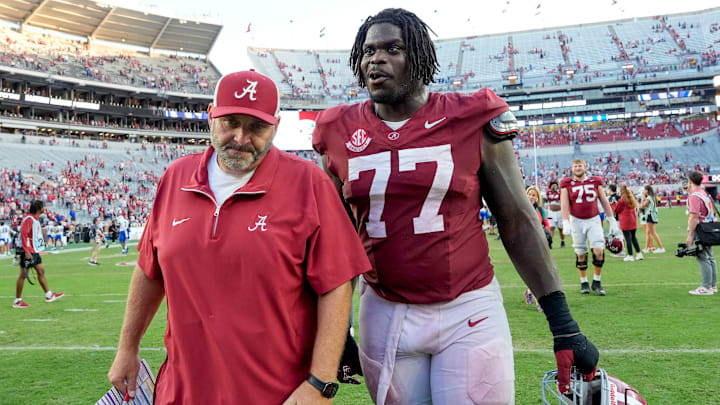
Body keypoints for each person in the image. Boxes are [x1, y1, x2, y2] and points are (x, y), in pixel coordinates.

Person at [312, 9, 598, 404]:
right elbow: (335, 244)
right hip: (384, 309)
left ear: (420, 56)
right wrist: (336, 330)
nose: (375, 59)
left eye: (392, 48)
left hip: (468, 307)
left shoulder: (471, 115)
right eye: (367, 51)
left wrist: (563, 323)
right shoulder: (335, 129)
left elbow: (516, 219)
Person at [108, 70, 370, 404]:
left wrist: (320, 384)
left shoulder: (309, 184)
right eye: (230, 121)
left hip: (276, 393)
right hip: (183, 390)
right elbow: (149, 270)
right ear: (210, 117)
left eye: (257, 127)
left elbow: (335, 286)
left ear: (275, 127)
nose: (241, 138)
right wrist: (127, 348)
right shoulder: (175, 178)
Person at [561, 158, 619, 296]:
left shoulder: (595, 181)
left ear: (585, 167)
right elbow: (564, 203)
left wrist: (612, 220)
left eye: (580, 165)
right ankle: (584, 282)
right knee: (580, 252)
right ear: (571, 168)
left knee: (599, 250)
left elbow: (604, 200)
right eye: (575, 166)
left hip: (593, 219)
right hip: (576, 220)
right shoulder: (567, 183)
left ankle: (597, 282)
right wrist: (565, 221)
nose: (577, 168)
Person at [12, 200, 65, 308]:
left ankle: (49, 295)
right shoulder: (29, 219)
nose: (44, 208)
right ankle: (17, 301)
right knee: (23, 275)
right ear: (39, 208)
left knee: (41, 271)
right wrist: (26, 251)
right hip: (28, 251)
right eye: (43, 206)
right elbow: (24, 234)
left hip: (33, 250)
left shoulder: (34, 219)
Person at [685, 171, 718, 295]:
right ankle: (712, 285)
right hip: (708, 227)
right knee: (710, 258)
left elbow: (694, 216)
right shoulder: (703, 193)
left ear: (690, 181)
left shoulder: (695, 196)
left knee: (702, 257)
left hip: (700, 228)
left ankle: (706, 287)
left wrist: (690, 235)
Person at [524, 186, 549, 312]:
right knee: (535, 271)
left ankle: (529, 292)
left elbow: (546, 224)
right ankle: (539, 301)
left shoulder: (541, 211)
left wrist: (547, 235)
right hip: (525, 244)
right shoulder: (521, 208)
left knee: (537, 271)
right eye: (530, 194)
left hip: (539, 243)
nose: (531, 197)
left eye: (534, 195)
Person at [614, 185, 643, 262]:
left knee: (628, 239)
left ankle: (630, 255)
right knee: (633, 237)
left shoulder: (622, 200)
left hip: (625, 220)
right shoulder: (632, 198)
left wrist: (613, 205)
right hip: (633, 219)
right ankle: (639, 254)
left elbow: (616, 210)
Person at [640, 185, 665, 254]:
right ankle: (646, 248)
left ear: (647, 190)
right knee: (648, 232)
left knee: (653, 232)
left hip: (650, 215)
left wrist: (642, 199)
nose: (643, 192)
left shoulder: (649, 198)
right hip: (652, 215)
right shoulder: (652, 197)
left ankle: (661, 248)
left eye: (644, 190)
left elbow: (642, 206)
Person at [546, 180, 566, 248]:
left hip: (559, 212)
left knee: (561, 228)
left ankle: (563, 241)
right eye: (553, 185)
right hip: (551, 213)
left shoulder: (560, 192)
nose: (554, 187)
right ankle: (550, 242)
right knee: (551, 228)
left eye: (555, 185)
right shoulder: (548, 193)